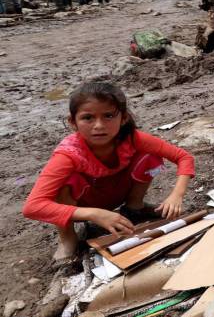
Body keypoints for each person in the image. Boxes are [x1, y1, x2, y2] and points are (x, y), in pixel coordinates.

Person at [22, 82, 195, 262]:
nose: (99, 125)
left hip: (116, 192)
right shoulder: (68, 155)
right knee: (65, 181)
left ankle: (134, 208)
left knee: (150, 155)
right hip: (83, 203)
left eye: (108, 116)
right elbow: (32, 207)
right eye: (88, 118)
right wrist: (93, 214)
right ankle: (67, 238)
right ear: (73, 122)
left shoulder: (132, 138)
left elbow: (184, 157)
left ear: (124, 118)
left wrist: (177, 195)